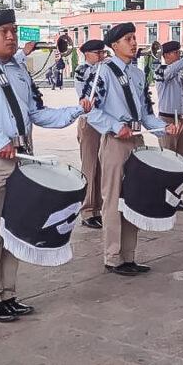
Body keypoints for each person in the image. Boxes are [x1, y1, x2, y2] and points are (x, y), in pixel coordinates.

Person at [0, 9, 91, 323]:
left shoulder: (19, 70)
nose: (11, 36)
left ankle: (8, 293)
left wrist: (74, 111)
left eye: (13, 30)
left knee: (14, 230)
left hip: (21, 158)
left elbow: (37, 113)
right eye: (4, 31)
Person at [86, 23, 179, 276]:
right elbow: (91, 110)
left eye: (134, 38)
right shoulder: (102, 72)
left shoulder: (137, 75)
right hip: (116, 142)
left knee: (133, 198)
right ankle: (112, 256)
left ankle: (129, 255)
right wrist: (115, 126)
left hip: (137, 139)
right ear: (115, 45)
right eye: (128, 39)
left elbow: (146, 113)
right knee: (113, 199)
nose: (134, 42)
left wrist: (163, 128)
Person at [153, 40, 183, 211]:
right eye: (175, 52)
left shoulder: (179, 75)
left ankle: (176, 197)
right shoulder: (161, 71)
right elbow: (171, 70)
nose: (178, 55)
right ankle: (163, 197)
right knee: (168, 161)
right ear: (166, 55)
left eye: (179, 52)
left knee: (181, 161)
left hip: (181, 120)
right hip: (167, 120)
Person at [73, 40, 107, 228]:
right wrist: (104, 65)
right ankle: (87, 211)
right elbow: (85, 93)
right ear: (86, 54)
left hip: (103, 120)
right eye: (98, 53)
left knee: (100, 167)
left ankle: (97, 208)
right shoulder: (82, 70)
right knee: (90, 166)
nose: (102, 56)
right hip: (89, 120)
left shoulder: (101, 68)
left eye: (103, 53)